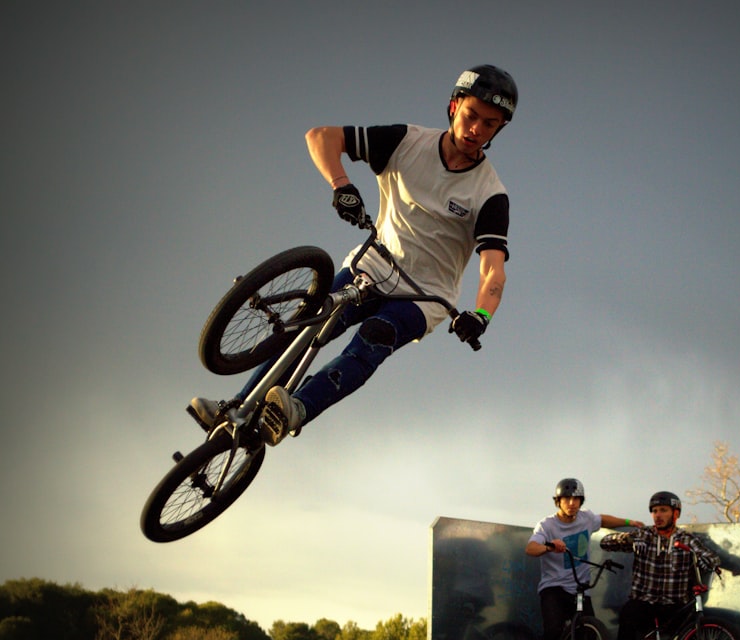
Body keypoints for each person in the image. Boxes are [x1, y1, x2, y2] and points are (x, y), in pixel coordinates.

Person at [189, 65, 517, 446]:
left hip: (425, 295)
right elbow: (321, 137)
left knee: (374, 337)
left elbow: (493, 270)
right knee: (314, 322)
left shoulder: (490, 194)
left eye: (489, 124)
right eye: (471, 116)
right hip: (373, 264)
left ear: (498, 130)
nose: (476, 129)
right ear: (453, 106)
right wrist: (340, 185)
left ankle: (297, 408)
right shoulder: (406, 142)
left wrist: (480, 316)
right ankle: (238, 406)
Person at [525, 478, 641, 640]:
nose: (572, 503)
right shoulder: (547, 525)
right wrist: (550, 546)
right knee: (554, 630)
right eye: (567, 499)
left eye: (576, 499)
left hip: (579, 588)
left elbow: (603, 520)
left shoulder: (586, 518)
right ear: (558, 501)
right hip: (554, 588)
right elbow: (531, 548)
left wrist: (629, 522)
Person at [599, 490, 721, 640]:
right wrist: (627, 539)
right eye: (654, 511)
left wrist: (710, 564)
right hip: (644, 602)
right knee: (628, 614)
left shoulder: (686, 539)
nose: (658, 515)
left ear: (676, 513)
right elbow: (606, 542)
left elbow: (710, 557)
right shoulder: (644, 535)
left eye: (663, 510)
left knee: (696, 621)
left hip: (674, 605)